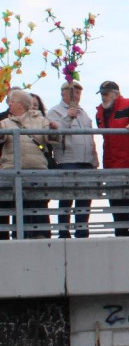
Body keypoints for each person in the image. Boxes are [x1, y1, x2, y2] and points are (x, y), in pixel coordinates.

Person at [0, 90, 59, 239]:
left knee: (37, 203)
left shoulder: (40, 120)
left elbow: (52, 139)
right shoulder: (5, 122)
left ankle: (40, 235)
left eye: (11, 102)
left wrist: (54, 130)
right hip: (11, 170)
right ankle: (10, 236)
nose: (9, 105)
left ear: (20, 104)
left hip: (36, 169)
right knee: (9, 204)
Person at [48, 81, 99, 238]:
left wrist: (94, 160)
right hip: (67, 159)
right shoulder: (55, 111)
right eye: (72, 93)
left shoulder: (83, 113)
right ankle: (64, 231)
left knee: (85, 198)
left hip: (86, 161)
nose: (75, 96)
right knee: (66, 197)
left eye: (78, 93)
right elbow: (52, 134)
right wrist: (68, 118)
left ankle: (82, 230)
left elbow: (90, 138)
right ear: (63, 93)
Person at [96, 81, 129, 236]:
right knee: (115, 198)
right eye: (102, 94)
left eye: (106, 93)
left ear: (115, 93)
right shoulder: (100, 112)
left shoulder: (128, 104)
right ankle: (121, 230)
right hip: (110, 162)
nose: (104, 97)